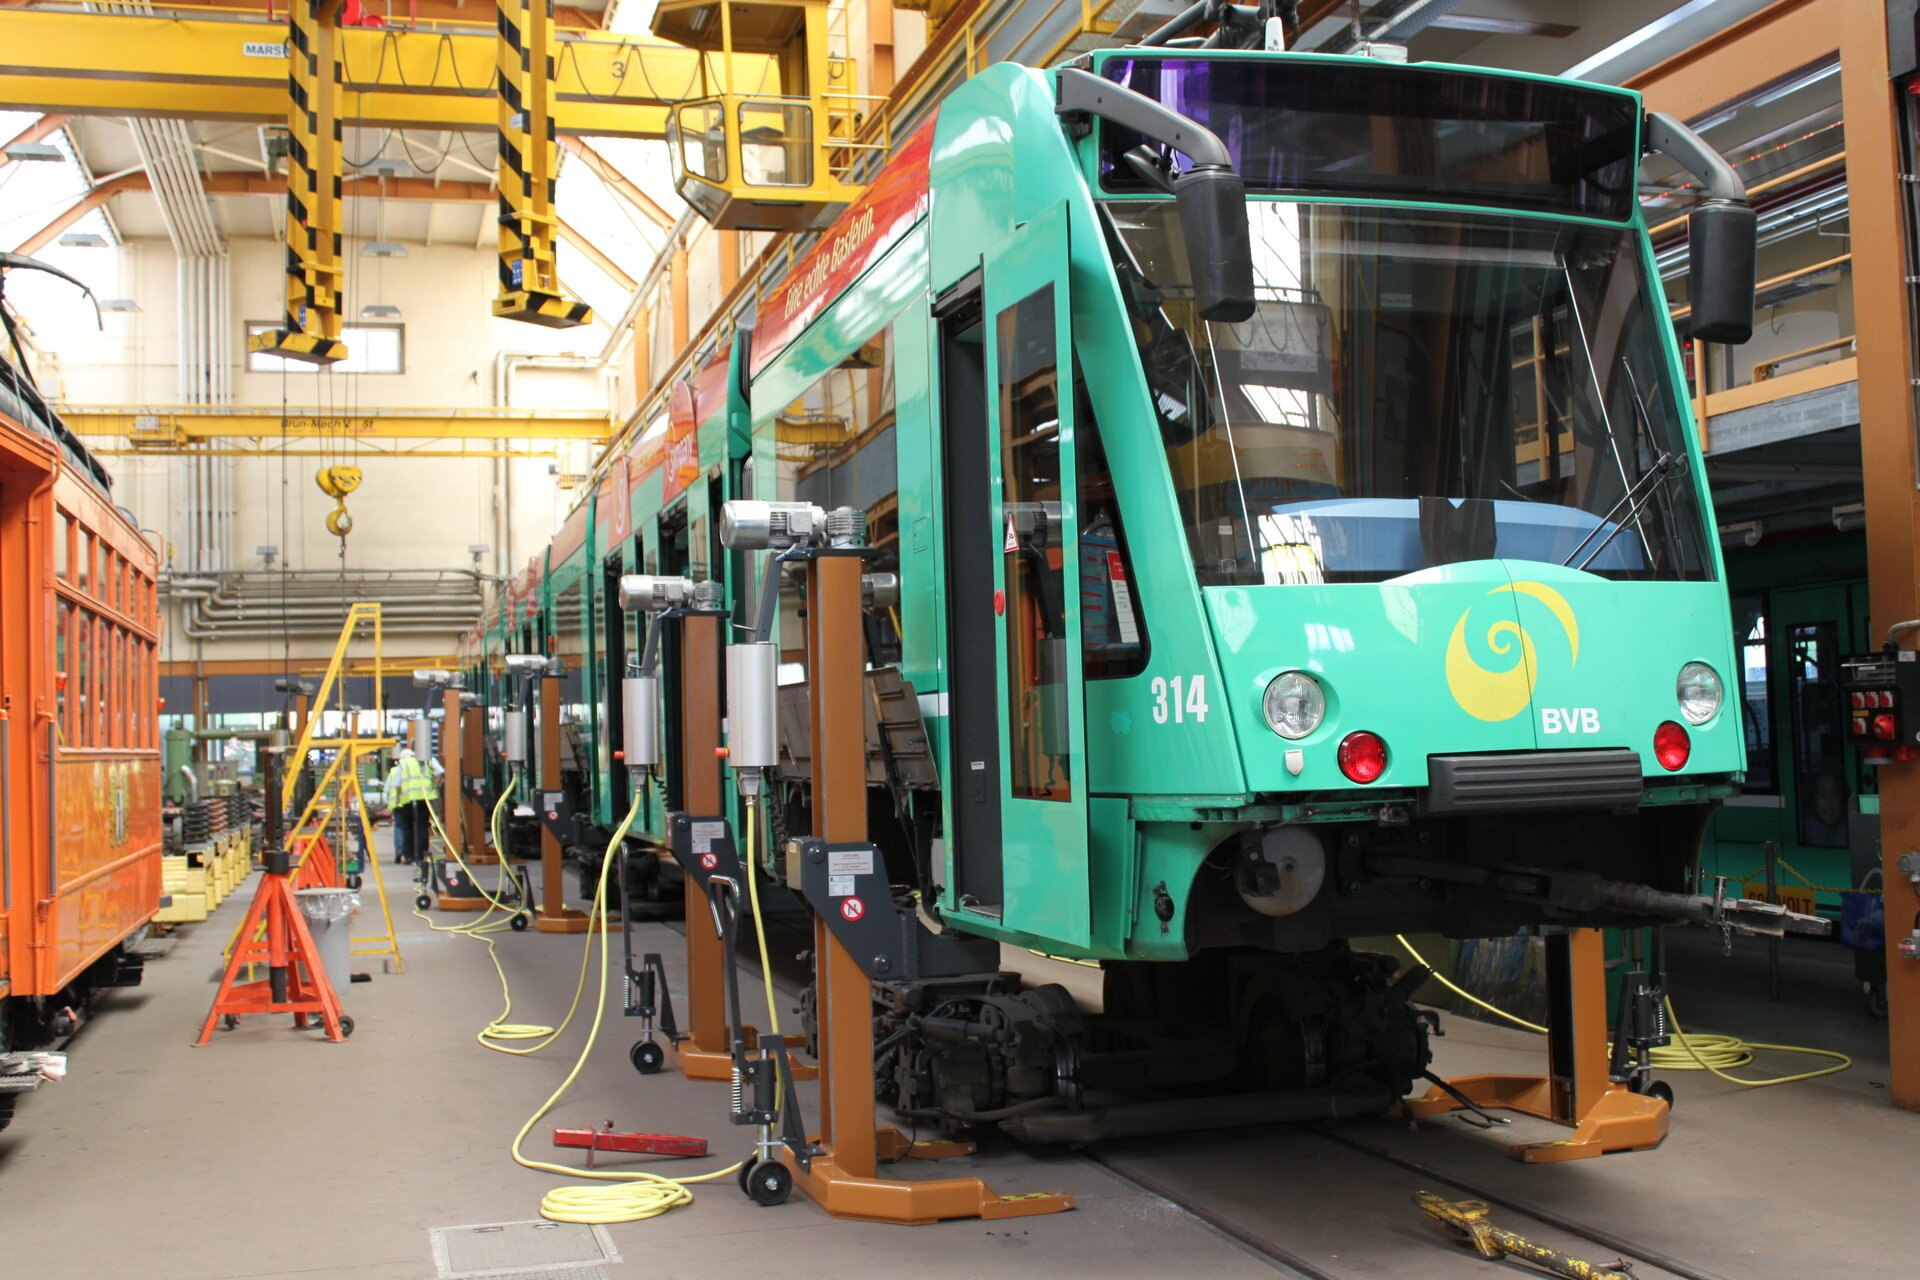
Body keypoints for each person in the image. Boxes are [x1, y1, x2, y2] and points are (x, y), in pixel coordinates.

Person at [384, 747, 437, 864]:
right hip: (424, 799)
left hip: (406, 801)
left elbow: (395, 785)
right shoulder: (425, 761)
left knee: (405, 828)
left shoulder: (400, 767)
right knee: (422, 827)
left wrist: (397, 801)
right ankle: (422, 855)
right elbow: (440, 772)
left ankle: (407, 854)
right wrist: (434, 788)